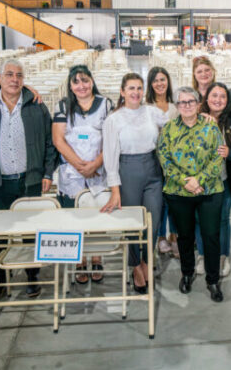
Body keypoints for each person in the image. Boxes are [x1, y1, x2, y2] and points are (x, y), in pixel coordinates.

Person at [0, 59, 56, 300]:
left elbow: (49, 141)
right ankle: (2, 275)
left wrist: (48, 172)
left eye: (19, 75)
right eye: (9, 74)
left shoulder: (36, 105)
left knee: (30, 229)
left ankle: (32, 274)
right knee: (0, 231)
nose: (14, 79)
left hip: (29, 179)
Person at [101, 73, 167, 294]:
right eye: (131, 88)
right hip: (127, 169)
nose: (136, 92)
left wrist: (201, 114)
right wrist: (115, 189)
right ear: (122, 91)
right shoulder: (113, 120)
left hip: (153, 168)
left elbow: (176, 122)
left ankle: (147, 260)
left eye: (139, 88)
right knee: (131, 222)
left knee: (153, 220)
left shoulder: (151, 112)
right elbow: (110, 156)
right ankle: (135, 265)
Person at [158, 87, 225, 302]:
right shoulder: (168, 129)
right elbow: (164, 159)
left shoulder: (211, 127)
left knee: (211, 236)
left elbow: (218, 156)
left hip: (209, 190)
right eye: (182, 102)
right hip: (179, 191)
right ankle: (187, 273)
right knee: (185, 236)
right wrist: (185, 182)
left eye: (191, 101)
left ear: (198, 104)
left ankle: (213, 280)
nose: (186, 106)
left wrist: (199, 180)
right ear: (177, 106)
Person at [52, 65, 112, 284]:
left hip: (98, 170)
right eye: (76, 82)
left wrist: (95, 164)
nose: (81, 86)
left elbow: (111, 138)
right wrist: (80, 166)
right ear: (70, 86)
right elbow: (58, 140)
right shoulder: (63, 106)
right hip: (72, 173)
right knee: (75, 217)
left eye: (85, 80)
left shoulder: (105, 104)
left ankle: (96, 257)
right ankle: (79, 260)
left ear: (92, 82)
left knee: (98, 214)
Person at [196, 82, 231, 277]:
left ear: (227, 100)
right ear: (207, 98)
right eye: (214, 95)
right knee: (200, 218)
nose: (218, 100)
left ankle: (222, 256)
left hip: (225, 179)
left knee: (223, 218)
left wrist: (229, 153)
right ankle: (202, 254)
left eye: (222, 96)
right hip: (200, 180)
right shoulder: (196, 118)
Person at [146, 67, 179, 256]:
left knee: (174, 198)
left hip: (175, 161)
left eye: (162, 80)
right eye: (156, 80)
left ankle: (174, 235)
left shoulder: (175, 106)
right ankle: (160, 237)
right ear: (151, 84)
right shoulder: (146, 107)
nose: (160, 84)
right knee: (159, 201)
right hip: (154, 160)